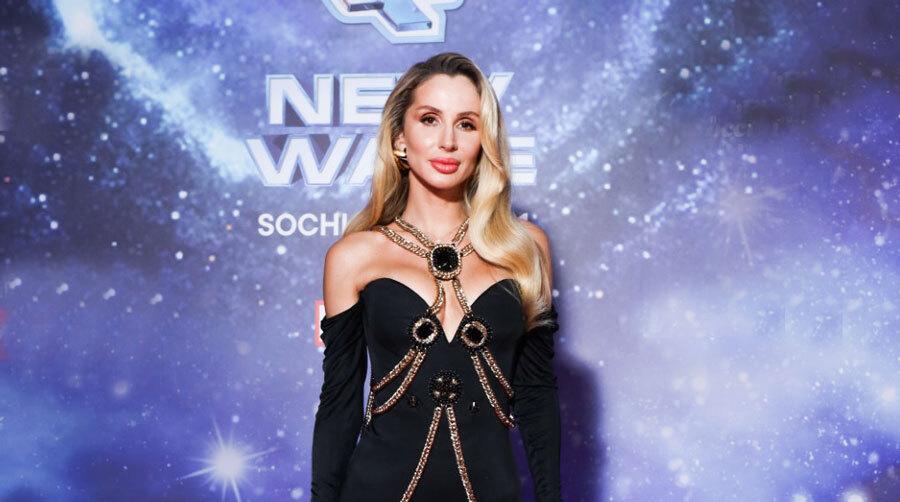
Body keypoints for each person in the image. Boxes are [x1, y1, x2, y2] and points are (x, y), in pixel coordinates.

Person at [311, 52, 561, 502]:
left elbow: (537, 395)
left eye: (466, 124)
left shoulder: (526, 248)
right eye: (430, 119)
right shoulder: (354, 256)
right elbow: (339, 406)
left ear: (484, 141)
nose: (448, 141)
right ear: (399, 139)